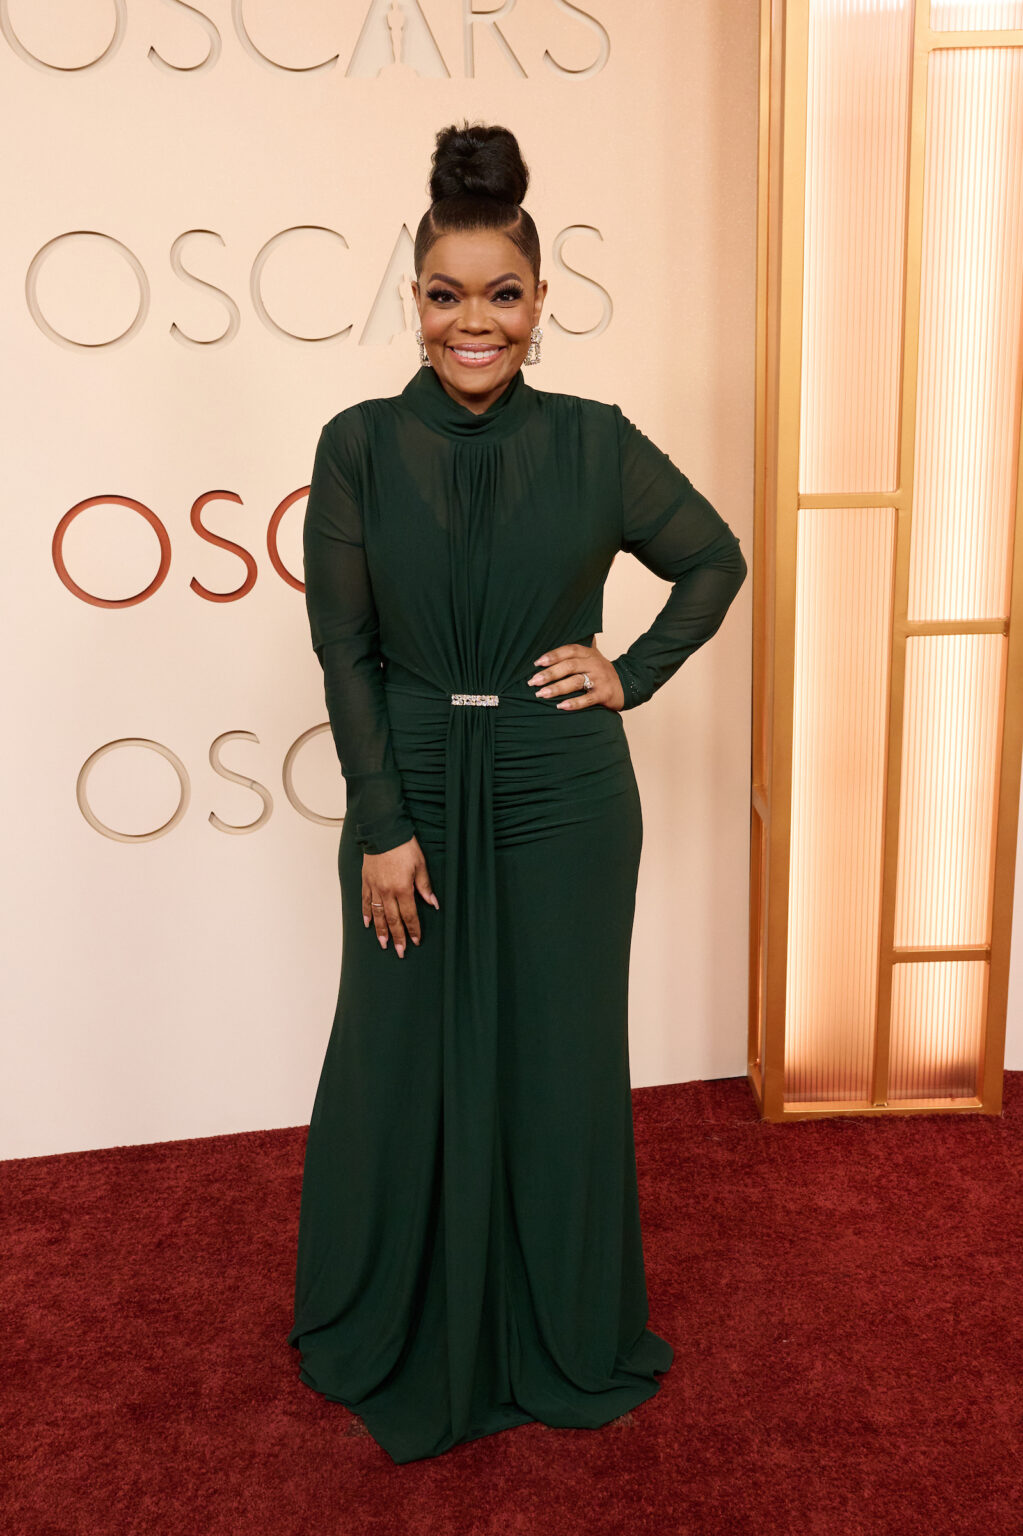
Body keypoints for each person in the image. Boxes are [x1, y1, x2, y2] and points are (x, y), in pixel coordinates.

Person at [287, 121, 748, 1465]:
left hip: (564, 797)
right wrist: (383, 824)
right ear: (415, 299)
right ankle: (398, 1312)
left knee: (558, 1063)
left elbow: (713, 559)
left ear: (541, 305)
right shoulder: (360, 443)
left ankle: (559, 1320)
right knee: (396, 1058)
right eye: (446, 294)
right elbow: (344, 650)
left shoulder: (598, 443)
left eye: (501, 294)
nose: (472, 322)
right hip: (411, 782)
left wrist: (631, 670)